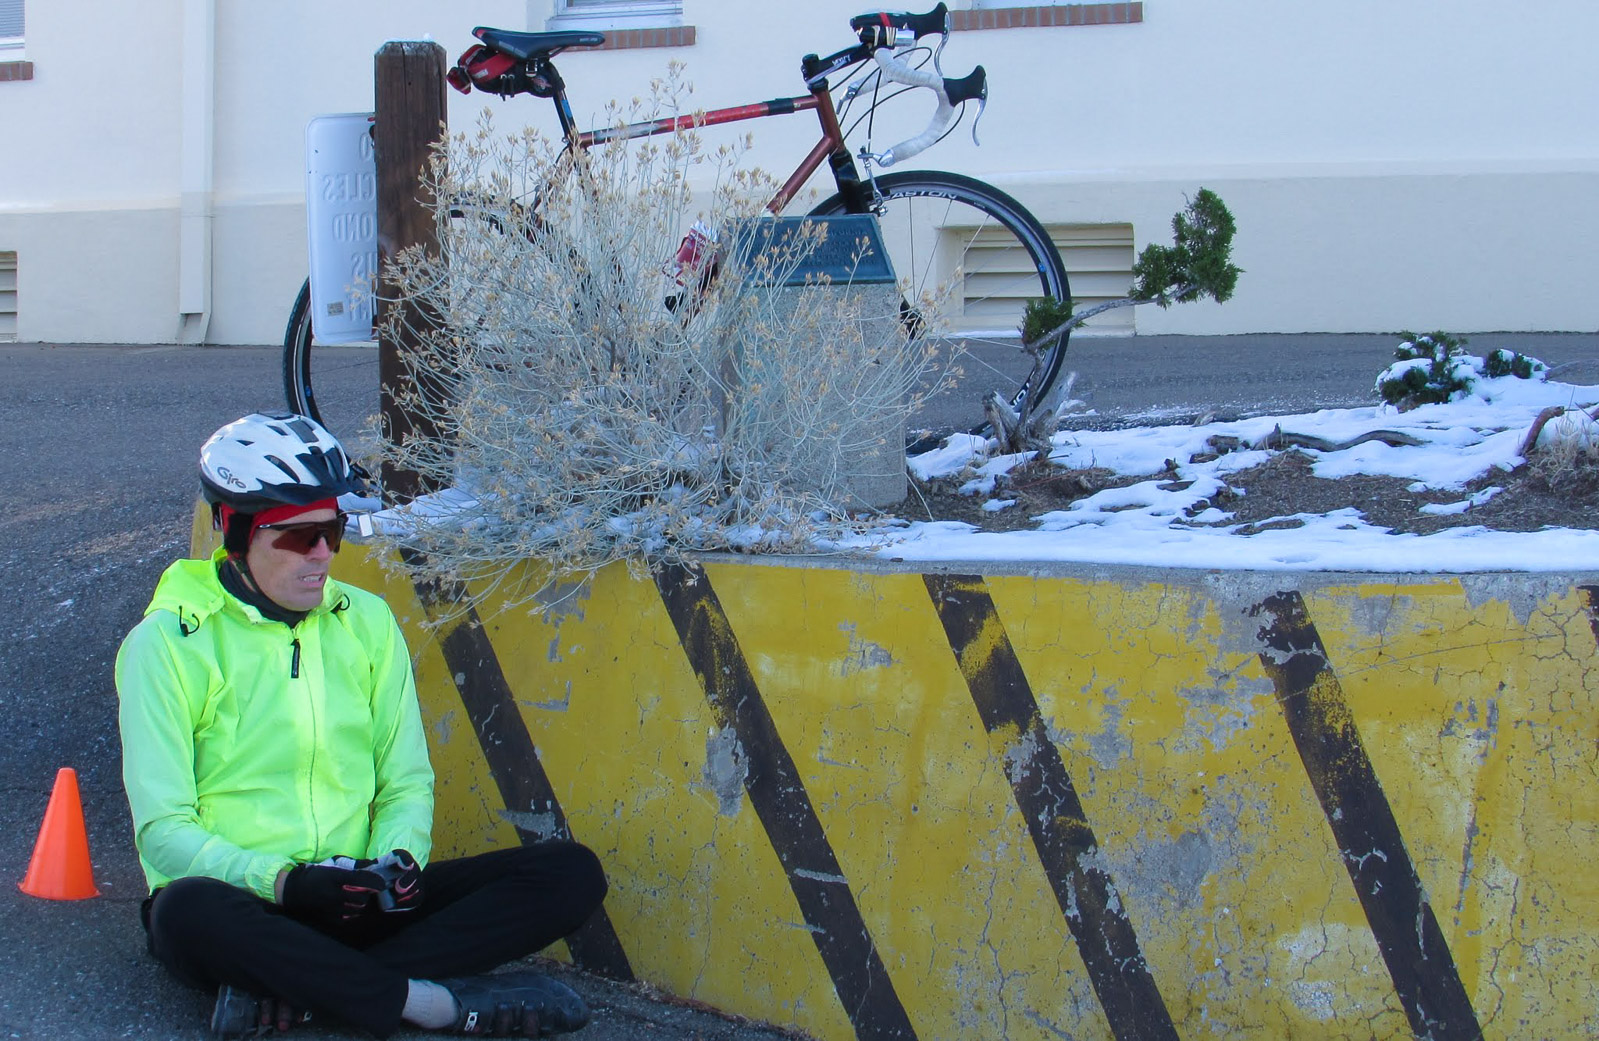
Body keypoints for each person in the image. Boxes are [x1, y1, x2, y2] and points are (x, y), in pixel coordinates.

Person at [116, 412, 607, 1039]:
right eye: (299, 536)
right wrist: (286, 885)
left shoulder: (367, 621)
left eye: (332, 531)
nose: (323, 555)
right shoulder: (167, 644)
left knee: (570, 874)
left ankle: (304, 996)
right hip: (249, 903)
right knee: (183, 910)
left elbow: (404, 779)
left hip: (353, 896)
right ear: (231, 530)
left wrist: (395, 862)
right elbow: (163, 832)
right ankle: (429, 1003)